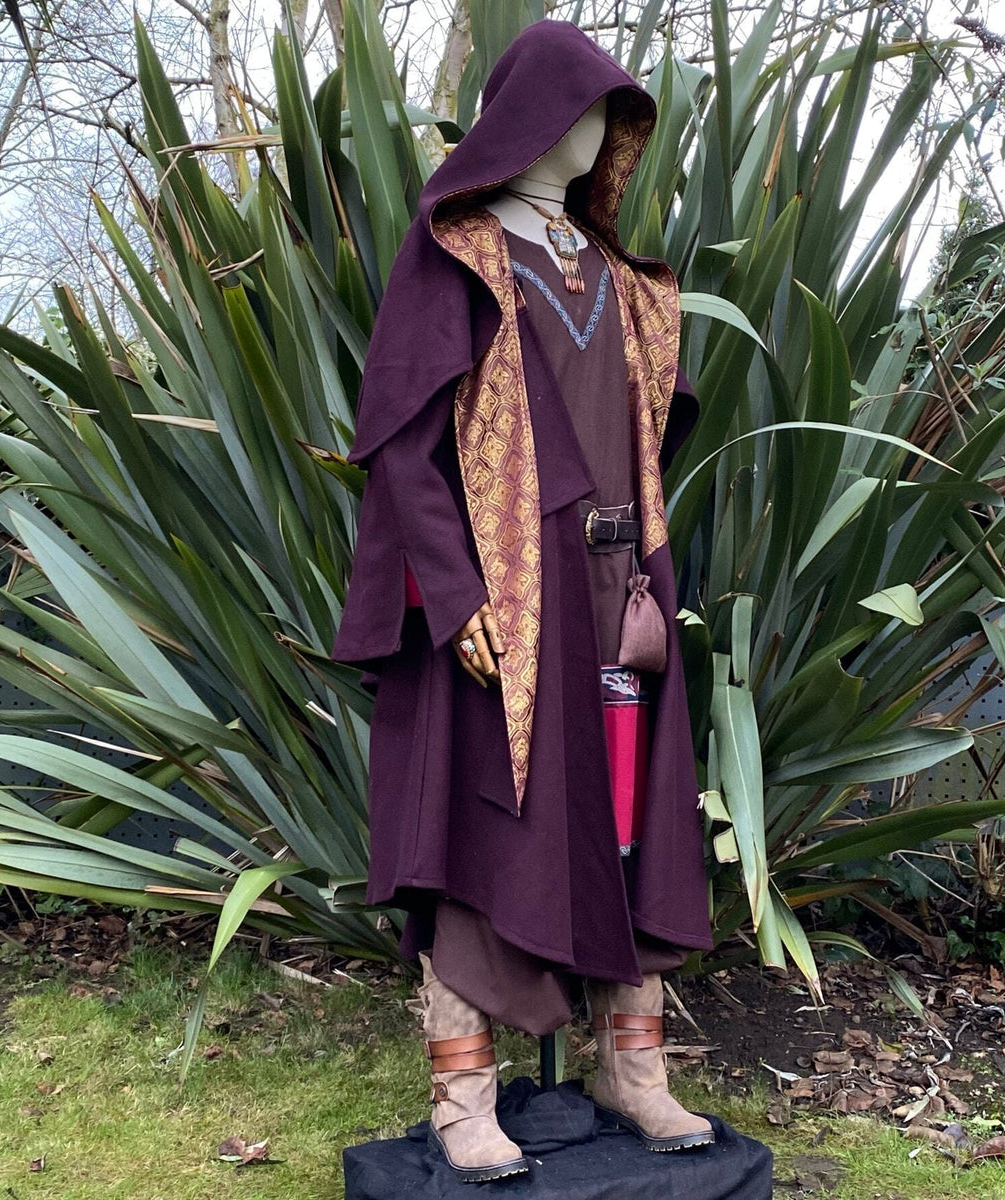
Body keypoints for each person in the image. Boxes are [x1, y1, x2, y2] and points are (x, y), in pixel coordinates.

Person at [331, 19, 713, 1184]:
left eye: (613, 115)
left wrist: (651, 577)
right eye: (580, 106)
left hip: (618, 583)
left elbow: (646, 436)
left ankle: (630, 1068)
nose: (597, 132)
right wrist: (454, 599)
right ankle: (463, 1092)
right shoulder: (455, 253)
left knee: (632, 816)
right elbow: (402, 448)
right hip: (503, 594)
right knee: (482, 826)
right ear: (525, 119)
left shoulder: (627, 285)